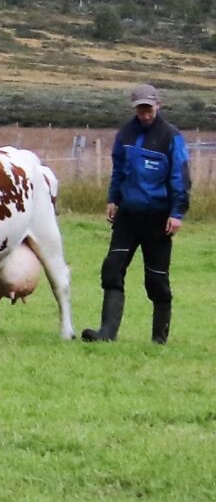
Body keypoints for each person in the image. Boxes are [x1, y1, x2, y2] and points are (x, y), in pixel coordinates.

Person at [84, 83, 189, 345]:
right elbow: (118, 169)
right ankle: (107, 333)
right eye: (140, 110)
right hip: (128, 216)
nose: (145, 115)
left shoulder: (171, 137)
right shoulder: (125, 134)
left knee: (156, 279)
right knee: (112, 269)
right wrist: (113, 198)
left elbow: (180, 177)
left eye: (149, 109)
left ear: (158, 105)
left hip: (158, 217)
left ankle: (159, 339)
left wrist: (177, 213)